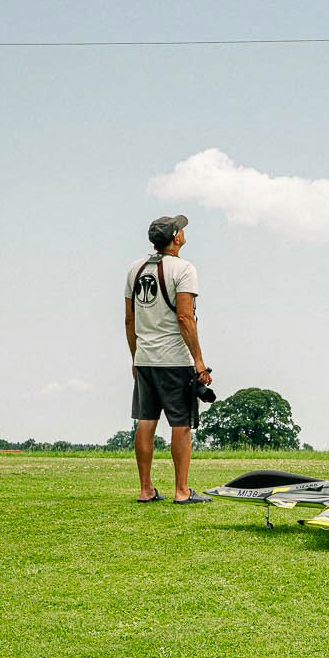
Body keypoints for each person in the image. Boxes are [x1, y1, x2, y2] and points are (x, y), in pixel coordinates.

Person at [124, 214, 214, 504]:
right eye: (182, 229)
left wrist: (135, 356)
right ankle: (182, 491)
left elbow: (129, 319)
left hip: (145, 358)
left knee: (145, 421)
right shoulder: (185, 269)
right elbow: (185, 317)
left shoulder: (135, 269)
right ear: (176, 238)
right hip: (175, 359)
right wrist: (199, 361)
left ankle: (146, 489)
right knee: (181, 424)